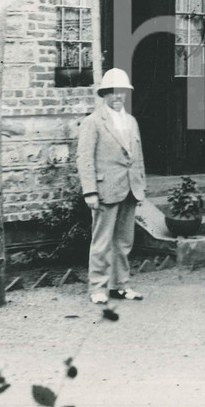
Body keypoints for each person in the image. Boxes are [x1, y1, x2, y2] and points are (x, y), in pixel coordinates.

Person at [76, 68, 147, 306]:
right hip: (105, 190)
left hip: (129, 188)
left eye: (122, 92)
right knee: (102, 241)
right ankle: (98, 287)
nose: (118, 97)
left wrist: (141, 185)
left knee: (125, 241)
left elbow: (138, 156)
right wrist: (90, 191)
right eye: (113, 92)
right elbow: (84, 158)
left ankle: (121, 284)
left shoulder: (131, 121)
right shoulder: (93, 122)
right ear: (104, 94)